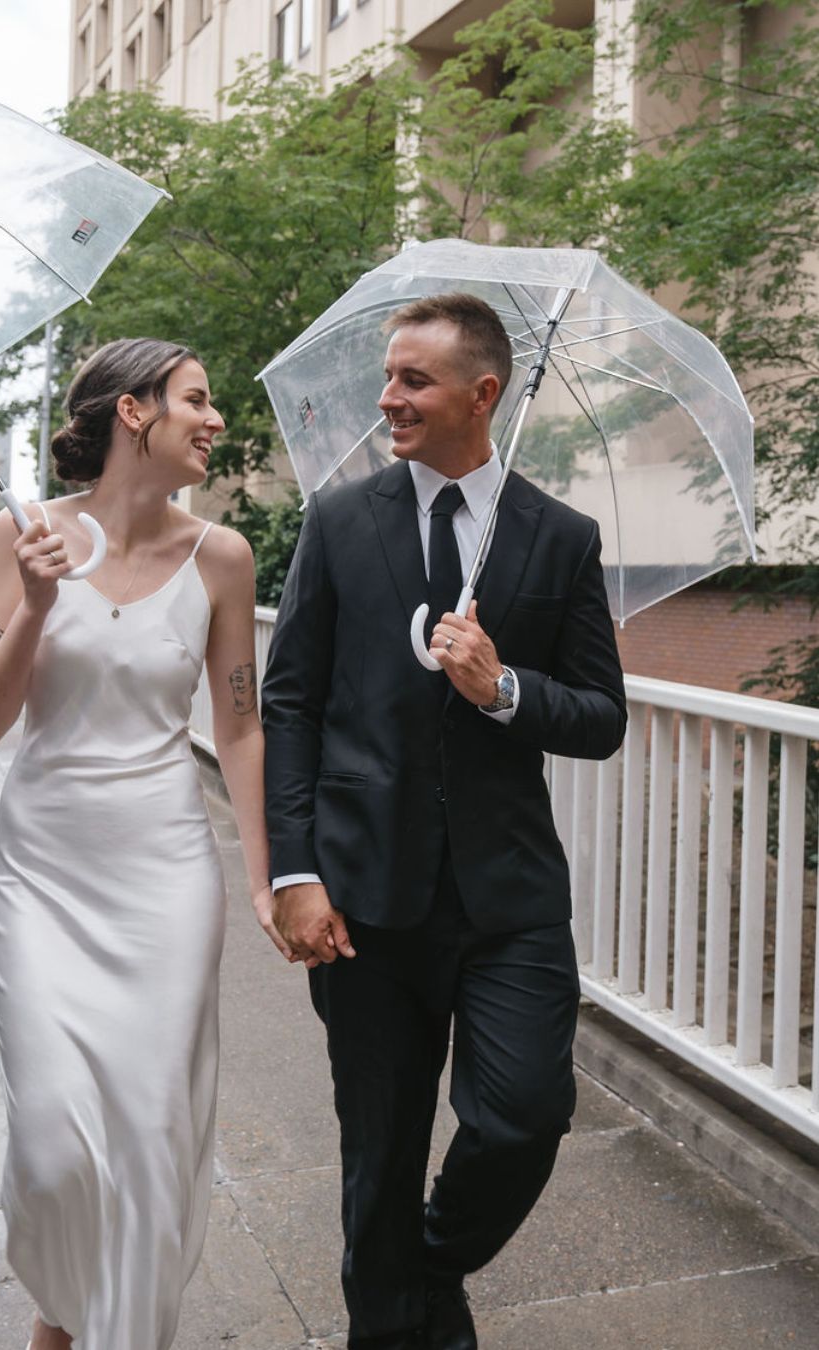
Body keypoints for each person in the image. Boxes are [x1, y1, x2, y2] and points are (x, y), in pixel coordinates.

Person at [261, 293, 627, 1350]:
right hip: (364, 903)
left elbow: (602, 719)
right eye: (388, 378)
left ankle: (423, 1266)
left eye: (414, 381)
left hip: (507, 900)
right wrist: (296, 870)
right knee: (378, 1152)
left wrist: (504, 687)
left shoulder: (558, 537)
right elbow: (291, 702)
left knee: (522, 1118)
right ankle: (400, 1324)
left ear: (483, 393)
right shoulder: (338, 521)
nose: (389, 399)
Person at [0, 338, 284, 1350]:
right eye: (199, 398)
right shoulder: (28, 540)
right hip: (42, 878)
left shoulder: (222, 557)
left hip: (167, 879)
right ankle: (67, 1308)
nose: (217, 418)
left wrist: (271, 883)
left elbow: (238, 726)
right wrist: (38, 610)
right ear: (134, 413)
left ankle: (114, 1333)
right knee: (55, 1146)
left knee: (148, 1140)